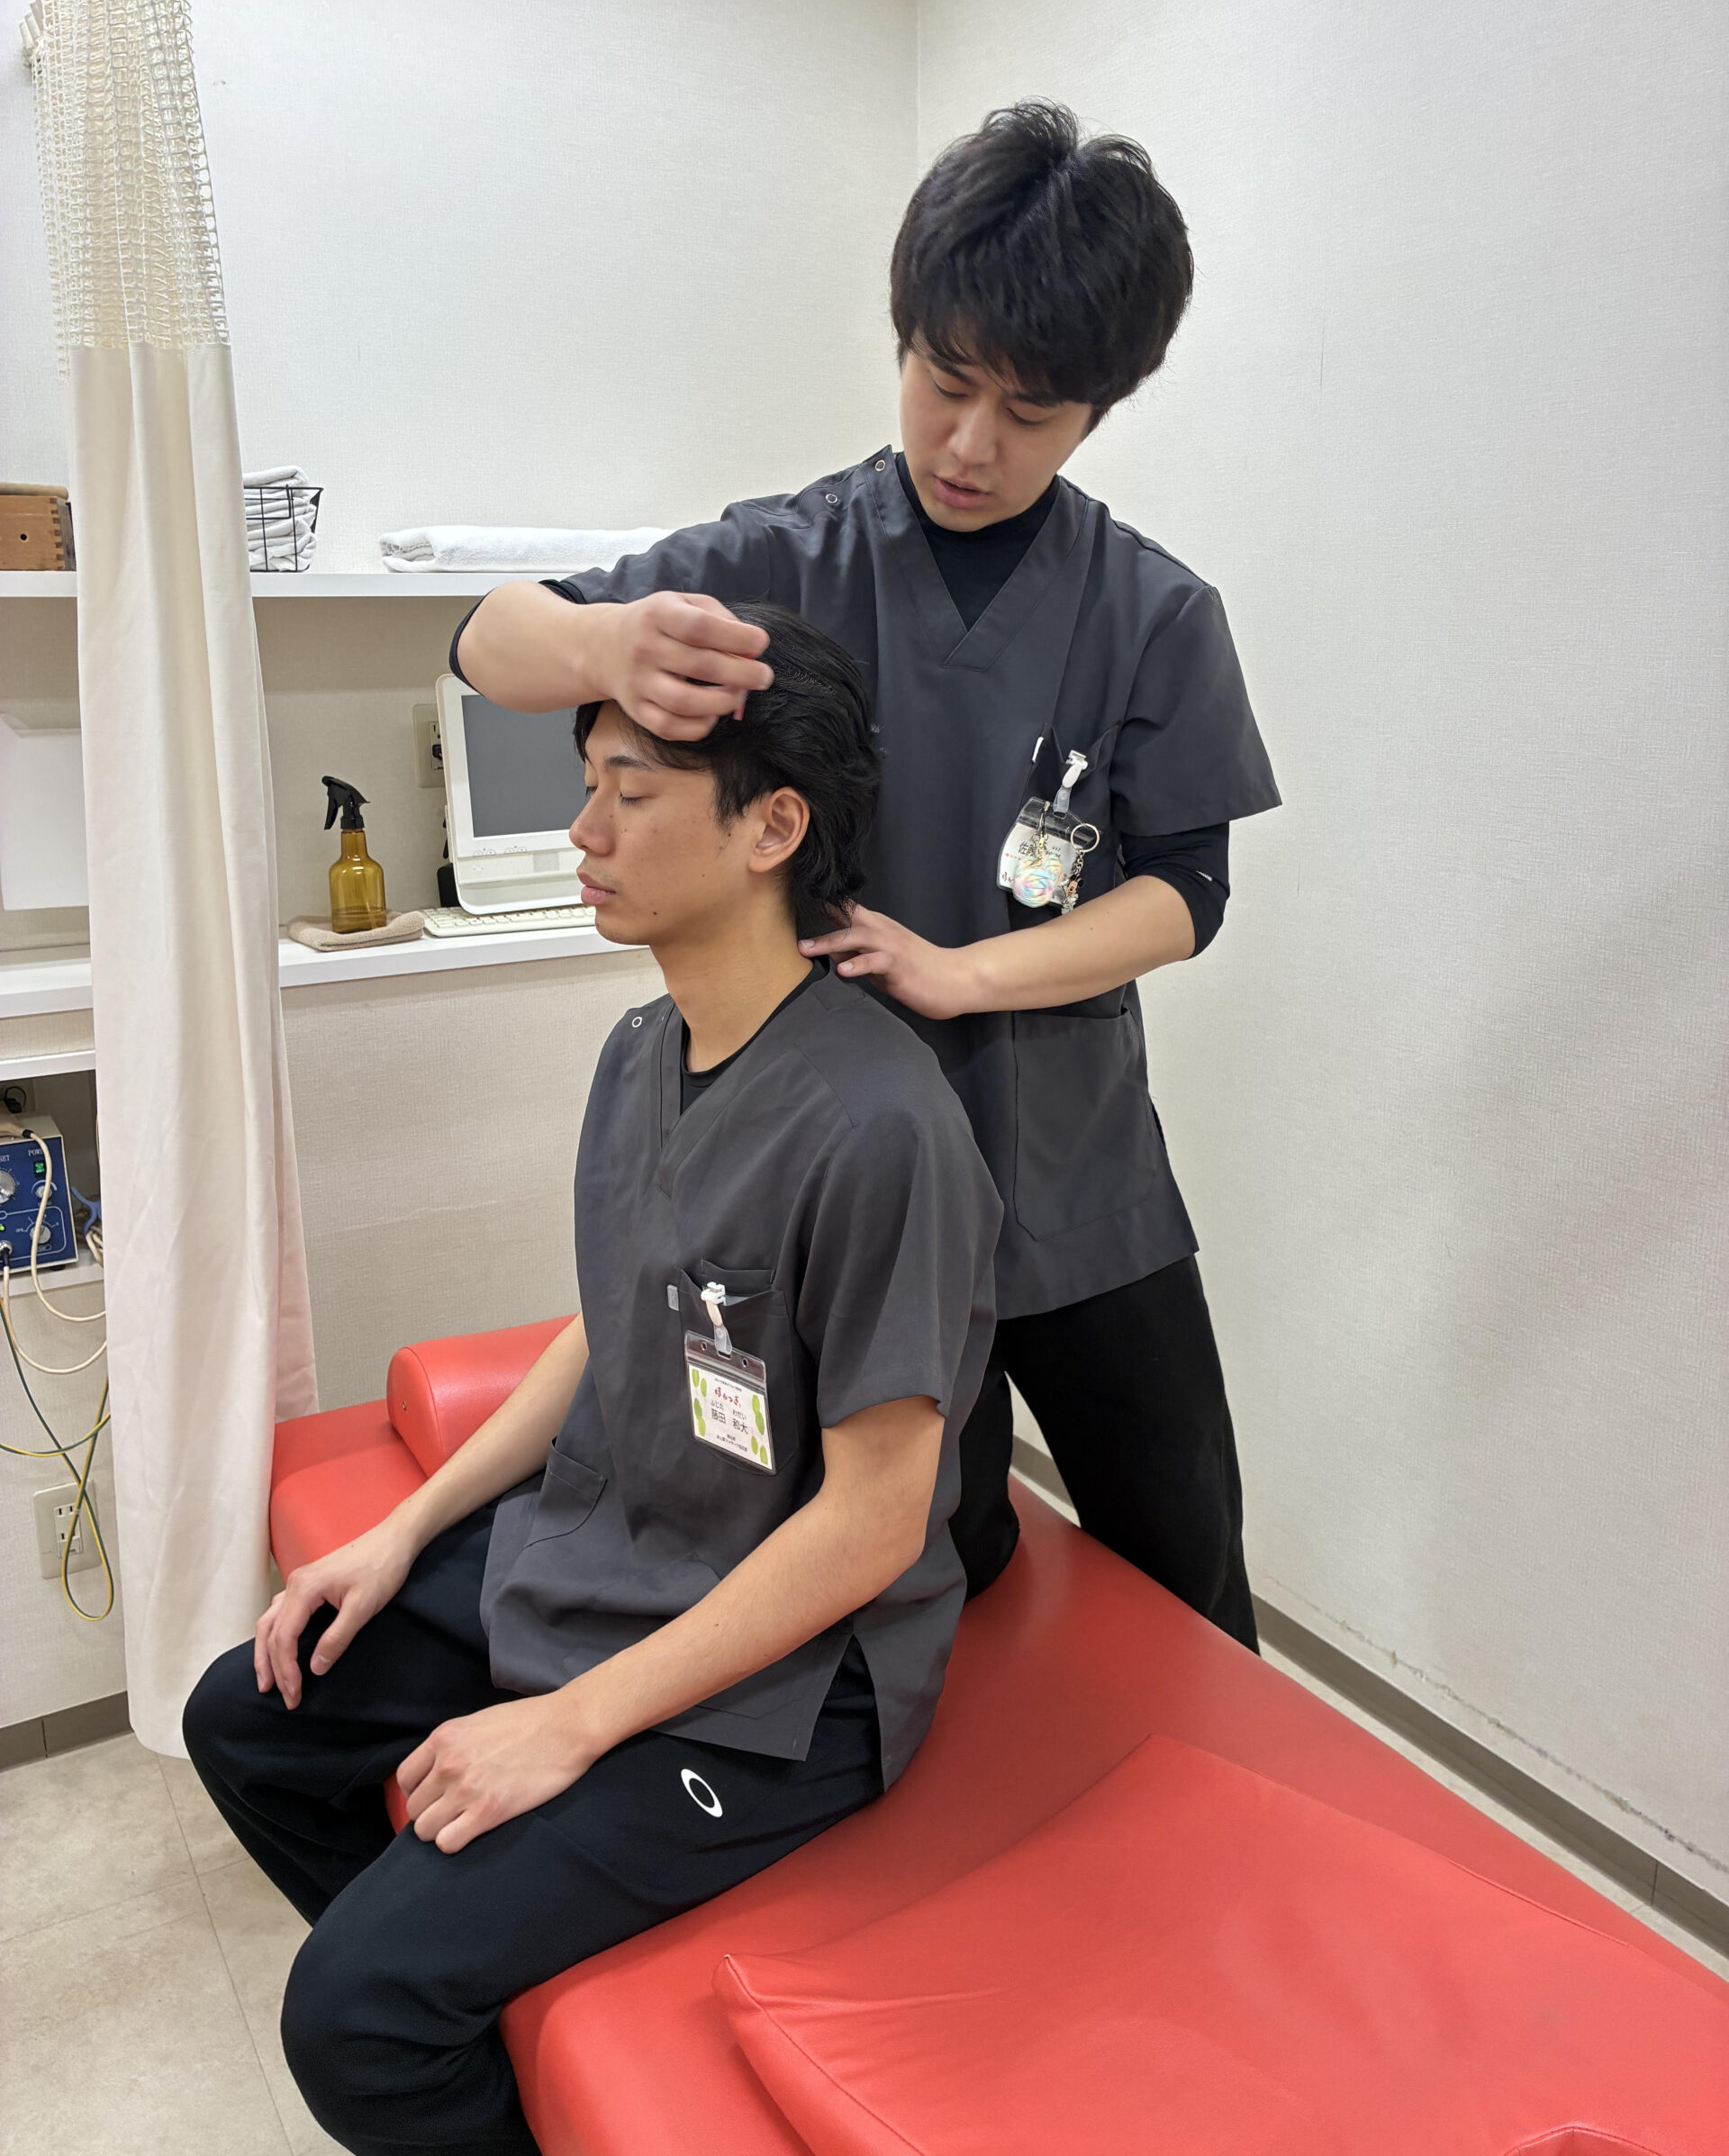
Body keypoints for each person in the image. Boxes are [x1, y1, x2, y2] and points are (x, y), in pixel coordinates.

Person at [454, 100, 1280, 1643]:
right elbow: (489, 639)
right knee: (919, 1571)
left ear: (1102, 408)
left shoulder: (1153, 614)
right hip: (844, 1184)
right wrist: (606, 642)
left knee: (1190, 1562)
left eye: (1030, 412)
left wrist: (965, 974)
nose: (970, 444)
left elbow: (1189, 890)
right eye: (944, 382)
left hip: (1076, 1176)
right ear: (903, 340)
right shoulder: (791, 561)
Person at [182, 611, 1000, 2156]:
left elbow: (877, 1523)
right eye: (587, 787)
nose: (584, 831)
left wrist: (570, 1726)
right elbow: (610, 1318)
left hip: (787, 1678)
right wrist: (404, 1531)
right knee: (251, 1714)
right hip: (618, 1556)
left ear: (772, 828)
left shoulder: (880, 1126)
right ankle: (486, 1990)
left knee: (351, 2015)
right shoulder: (642, 1050)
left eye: (630, 793)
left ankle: (441, 1995)